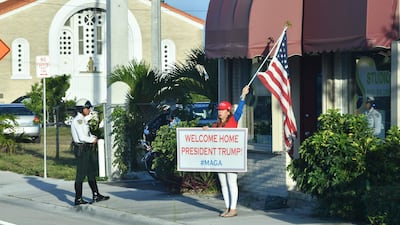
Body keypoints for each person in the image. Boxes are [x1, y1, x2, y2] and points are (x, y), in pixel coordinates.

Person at [207, 85, 250, 218]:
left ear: (228, 111)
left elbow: (240, 109)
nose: (220, 112)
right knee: (223, 183)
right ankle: (227, 207)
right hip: (220, 157)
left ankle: (233, 208)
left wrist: (243, 95)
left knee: (231, 181)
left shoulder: (233, 120)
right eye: (219, 110)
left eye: (222, 110)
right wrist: (206, 130)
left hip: (231, 156)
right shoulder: (216, 125)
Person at [71, 98, 110, 206]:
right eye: (87, 108)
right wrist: (92, 140)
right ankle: (78, 198)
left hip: (87, 149)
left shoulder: (83, 120)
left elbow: (86, 134)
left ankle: (96, 194)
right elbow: (82, 137)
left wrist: (93, 137)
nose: (89, 110)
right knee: (81, 175)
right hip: (81, 149)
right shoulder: (78, 121)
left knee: (91, 173)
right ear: (81, 109)